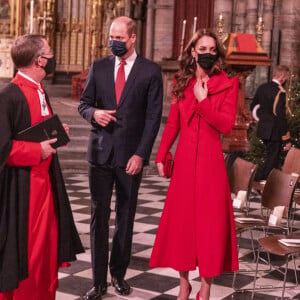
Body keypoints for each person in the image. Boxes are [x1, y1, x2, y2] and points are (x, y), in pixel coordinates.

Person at [149, 29, 239, 300]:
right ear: (193, 52)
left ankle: (207, 286)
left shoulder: (228, 83)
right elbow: (173, 124)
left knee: (210, 226)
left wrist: (204, 101)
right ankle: (184, 283)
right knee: (183, 224)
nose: (208, 54)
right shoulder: (181, 81)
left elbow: (225, 124)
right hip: (186, 162)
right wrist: (161, 154)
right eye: (203, 49)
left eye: (213, 50)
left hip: (212, 165)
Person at [78, 16, 163, 300]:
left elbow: (152, 119)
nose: (114, 42)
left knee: (125, 218)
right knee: (97, 217)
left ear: (133, 38)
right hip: (100, 154)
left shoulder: (151, 71)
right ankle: (98, 281)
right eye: (111, 37)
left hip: (130, 157)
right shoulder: (99, 66)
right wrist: (94, 114)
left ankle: (118, 275)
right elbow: (84, 104)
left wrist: (141, 154)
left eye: (119, 38)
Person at [0, 34, 84, 300]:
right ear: (39, 60)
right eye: (49, 52)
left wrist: (57, 134)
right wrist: (38, 150)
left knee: (46, 254)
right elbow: (3, 147)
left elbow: (35, 129)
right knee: (30, 257)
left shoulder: (39, 90)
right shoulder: (7, 96)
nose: (52, 57)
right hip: (22, 193)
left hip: (46, 187)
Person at [250, 65, 291, 181]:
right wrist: (286, 138)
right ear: (282, 77)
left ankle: (258, 179)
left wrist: (261, 120)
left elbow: (254, 106)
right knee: (272, 159)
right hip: (274, 131)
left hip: (262, 129)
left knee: (267, 156)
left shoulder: (262, 87)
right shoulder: (280, 92)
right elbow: (280, 116)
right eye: (286, 77)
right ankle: (263, 182)